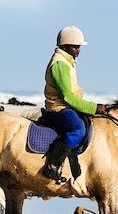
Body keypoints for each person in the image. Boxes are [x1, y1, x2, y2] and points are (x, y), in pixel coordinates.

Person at [40, 25, 107, 181]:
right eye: (76, 47)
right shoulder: (60, 64)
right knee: (77, 129)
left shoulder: (67, 61)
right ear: (66, 46)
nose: (79, 50)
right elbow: (67, 97)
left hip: (65, 106)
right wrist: (93, 107)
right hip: (58, 108)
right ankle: (53, 166)